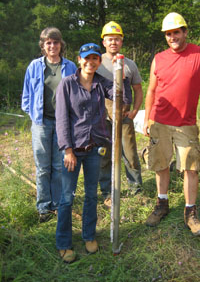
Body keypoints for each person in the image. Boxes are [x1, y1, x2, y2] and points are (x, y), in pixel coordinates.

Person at [143, 12, 200, 235]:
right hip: (159, 121)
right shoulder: (159, 58)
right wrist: (148, 117)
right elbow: (151, 89)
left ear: (185, 32)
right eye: (168, 34)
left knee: (190, 168)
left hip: (185, 124)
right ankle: (162, 204)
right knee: (160, 164)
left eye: (176, 32)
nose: (172, 37)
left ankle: (190, 212)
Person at [55, 43, 131, 263]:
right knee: (67, 198)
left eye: (95, 59)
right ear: (79, 60)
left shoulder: (101, 84)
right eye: (86, 58)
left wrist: (121, 75)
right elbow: (61, 120)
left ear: (99, 61)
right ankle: (63, 243)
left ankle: (89, 236)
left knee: (91, 195)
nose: (90, 62)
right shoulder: (67, 84)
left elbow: (121, 99)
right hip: (73, 150)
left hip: (95, 149)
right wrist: (67, 150)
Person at [21, 27, 77, 223]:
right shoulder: (34, 66)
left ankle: (57, 204)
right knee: (43, 166)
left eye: (55, 42)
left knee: (59, 165)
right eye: (48, 43)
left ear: (61, 44)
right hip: (41, 123)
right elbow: (26, 94)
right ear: (43, 46)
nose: (52, 46)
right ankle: (43, 206)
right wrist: (33, 114)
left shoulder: (70, 67)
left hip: (63, 123)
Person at [98, 21, 143, 207]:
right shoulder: (97, 62)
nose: (113, 42)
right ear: (104, 42)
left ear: (121, 41)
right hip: (102, 118)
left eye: (116, 39)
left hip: (124, 117)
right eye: (110, 39)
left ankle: (136, 190)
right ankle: (107, 192)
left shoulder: (129, 64)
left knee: (130, 154)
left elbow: (138, 90)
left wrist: (134, 111)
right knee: (104, 155)